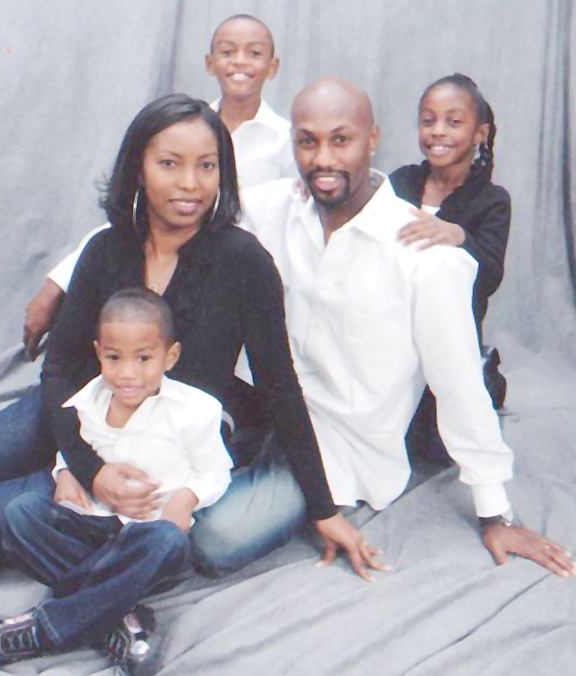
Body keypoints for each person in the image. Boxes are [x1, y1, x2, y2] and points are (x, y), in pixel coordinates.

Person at [0, 93, 363, 580]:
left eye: (206, 166)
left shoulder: (245, 262)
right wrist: (85, 468)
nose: (190, 183)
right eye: (169, 163)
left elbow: (280, 385)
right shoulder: (106, 249)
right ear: (139, 168)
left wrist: (323, 508)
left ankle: (25, 470)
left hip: (156, 444)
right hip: (76, 412)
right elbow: (61, 369)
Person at [237, 76, 575, 579]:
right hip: (266, 409)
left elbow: (459, 386)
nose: (323, 158)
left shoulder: (427, 257)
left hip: (340, 447)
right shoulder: (276, 208)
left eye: (341, 139)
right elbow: (184, 199)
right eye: (308, 141)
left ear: (372, 138)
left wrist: (495, 513)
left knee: (219, 540)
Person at [0, 288, 233, 670]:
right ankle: (118, 617)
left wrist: (186, 498)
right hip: (93, 525)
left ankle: (46, 629)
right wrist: (65, 473)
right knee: (21, 513)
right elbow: (76, 449)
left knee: (168, 541)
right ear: (98, 353)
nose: (127, 373)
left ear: (170, 356)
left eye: (143, 358)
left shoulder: (195, 411)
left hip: (146, 538)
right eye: (113, 357)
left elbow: (215, 472)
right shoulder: (87, 402)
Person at [22, 13, 296, 359]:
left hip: (231, 289)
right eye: (228, 51)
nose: (240, 61)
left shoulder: (289, 143)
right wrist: (57, 282)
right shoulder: (182, 127)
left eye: (254, 53)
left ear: (273, 66)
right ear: (210, 63)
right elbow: (130, 223)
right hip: (163, 279)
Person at [390, 74, 510, 465]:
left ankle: (484, 372)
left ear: (479, 133)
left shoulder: (491, 200)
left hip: (446, 340)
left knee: (436, 451)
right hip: (395, 334)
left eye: (453, 122)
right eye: (428, 120)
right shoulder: (401, 181)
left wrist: (458, 235)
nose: (437, 131)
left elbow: (489, 278)